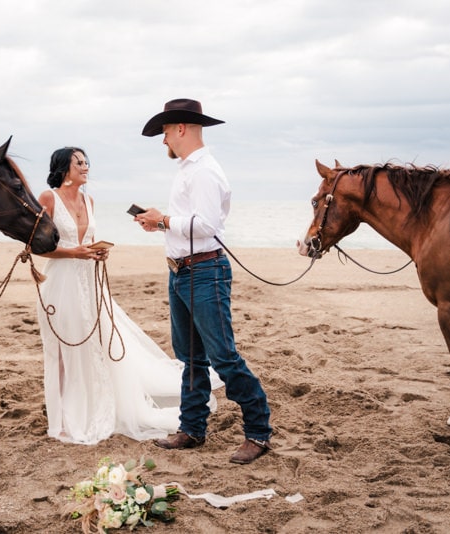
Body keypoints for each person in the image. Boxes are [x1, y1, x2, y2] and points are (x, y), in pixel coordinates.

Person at [34, 146, 218, 445]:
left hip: (90, 280)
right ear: (63, 168)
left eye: (86, 161)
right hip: (60, 282)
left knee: (93, 346)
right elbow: (35, 246)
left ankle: (92, 408)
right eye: (78, 162)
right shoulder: (47, 198)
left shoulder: (89, 200)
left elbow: (89, 243)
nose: (85, 166)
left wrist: (96, 252)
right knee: (61, 351)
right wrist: (73, 253)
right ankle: (63, 420)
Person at [135, 99, 273, 464]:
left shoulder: (205, 172)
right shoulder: (187, 170)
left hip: (205, 272)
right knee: (190, 357)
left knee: (223, 357)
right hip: (182, 271)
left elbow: (207, 226)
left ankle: (258, 431)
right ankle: (193, 428)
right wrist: (159, 223)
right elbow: (188, 222)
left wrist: (163, 220)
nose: (163, 138)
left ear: (180, 128)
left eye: (165, 131)